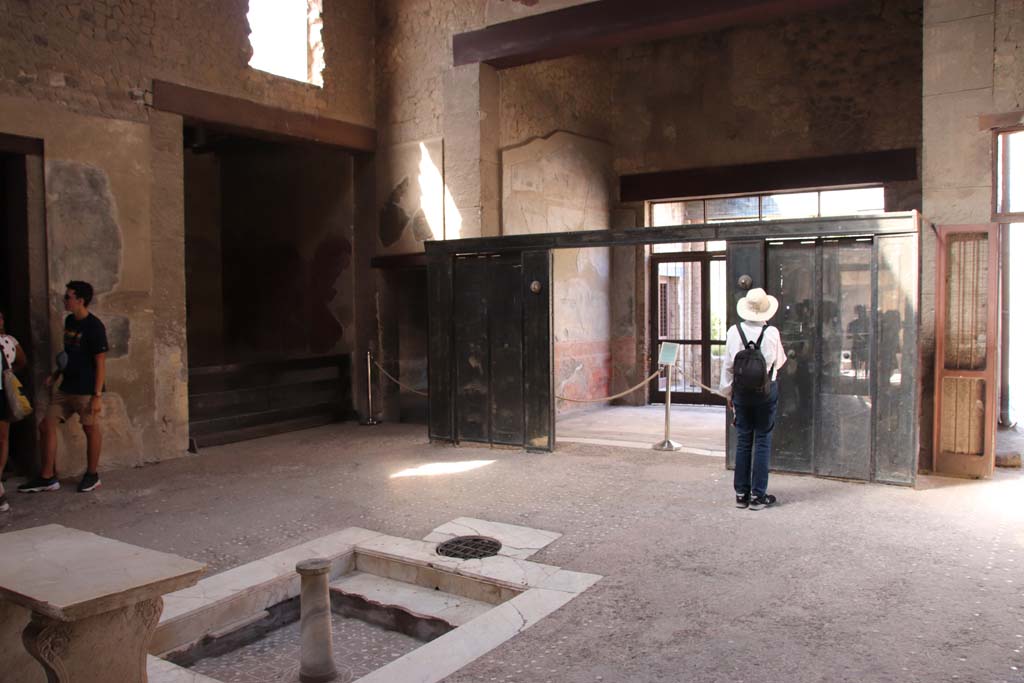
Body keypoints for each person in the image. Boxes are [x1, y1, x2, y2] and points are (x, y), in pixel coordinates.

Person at [19, 281, 108, 494]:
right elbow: (69, 354)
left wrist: (97, 395)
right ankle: (48, 476)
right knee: (46, 425)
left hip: (86, 389)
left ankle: (92, 474)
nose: (64, 300)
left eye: (68, 297)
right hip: (66, 387)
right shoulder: (69, 321)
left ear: (80, 300)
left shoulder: (94, 327)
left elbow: (101, 363)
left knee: (90, 428)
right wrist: (56, 374)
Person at [720, 288, 787, 511]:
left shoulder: (733, 331)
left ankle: (741, 493)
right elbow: (779, 363)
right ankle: (758, 495)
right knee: (762, 440)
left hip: (740, 394)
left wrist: (728, 394)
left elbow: (728, 367)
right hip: (766, 393)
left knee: (743, 440)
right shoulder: (772, 333)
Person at [0, 310, 28, 512]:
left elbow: (22, 361)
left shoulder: (9, 341)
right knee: (2, 439)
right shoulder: (10, 341)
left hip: (2, 393)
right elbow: (21, 362)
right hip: (2, 392)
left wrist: (7, 375)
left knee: (3, 438)